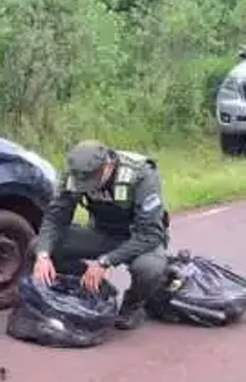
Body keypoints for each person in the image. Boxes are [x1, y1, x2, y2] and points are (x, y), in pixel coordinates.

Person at [30, 139, 171, 330]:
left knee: (149, 269)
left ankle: (133, 305)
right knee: (38, 246)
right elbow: (55, 219)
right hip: (101, 233)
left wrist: (105, 262)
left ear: (109, 165)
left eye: (92, 179)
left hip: (138, 238)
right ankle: (97, 288)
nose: (87, 186)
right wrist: (43, 255)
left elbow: (151, 234)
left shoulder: (141, 174)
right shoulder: (75, 175)